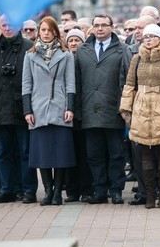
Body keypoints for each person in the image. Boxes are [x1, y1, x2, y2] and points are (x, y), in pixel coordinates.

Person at [120, 24, 160, 209]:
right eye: (146, 36)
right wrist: (126, 110)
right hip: (141, 107)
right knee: (145, 153)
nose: (148, 39)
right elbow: (129, 85)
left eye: (152, 36)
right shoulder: (137, 58)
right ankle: (149, 194)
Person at [0, 14, 38, 204]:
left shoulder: (29, 47)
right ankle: (7, 189)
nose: (8, 28)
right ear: (0, 27)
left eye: (11, 24)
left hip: (23, 107)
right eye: (4, 25)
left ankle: (28, 190)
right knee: (3, 152)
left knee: (25, 152)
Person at [22, 16, 76, 206]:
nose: (45, 33)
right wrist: (27, 110)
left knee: (60, 153)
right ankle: (47, 191)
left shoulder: (66, 54)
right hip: (38, 109)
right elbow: (26, 84)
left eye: (49, 30)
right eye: (42, 30)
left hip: (60, 108)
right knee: (42, 154)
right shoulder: (30, 55)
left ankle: (58, 193)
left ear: (55, 31)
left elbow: (71, 83)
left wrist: (70, 107)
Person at [75, 14, 127, 205]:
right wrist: (77, 109)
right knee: (94, 155)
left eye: (104, 25)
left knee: (116, 154)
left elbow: (126, 81)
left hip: (114, 110)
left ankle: (116, 190)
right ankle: (99, 190)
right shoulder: (83, 50)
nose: (99, 29)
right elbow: (77, 82)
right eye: (96, 25)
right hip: (90, 111)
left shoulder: (122, 50)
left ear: (112, 27)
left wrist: (124, 107)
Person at [64, 29, 93, 202]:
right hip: (67, 115)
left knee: (85, 155)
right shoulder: (63, 58)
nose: (74, 43)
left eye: (77, 40)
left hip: (84, 114)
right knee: (69, 154)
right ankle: (72, 190)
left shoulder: (86, 60)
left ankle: (86, 189)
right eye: (71, 40)